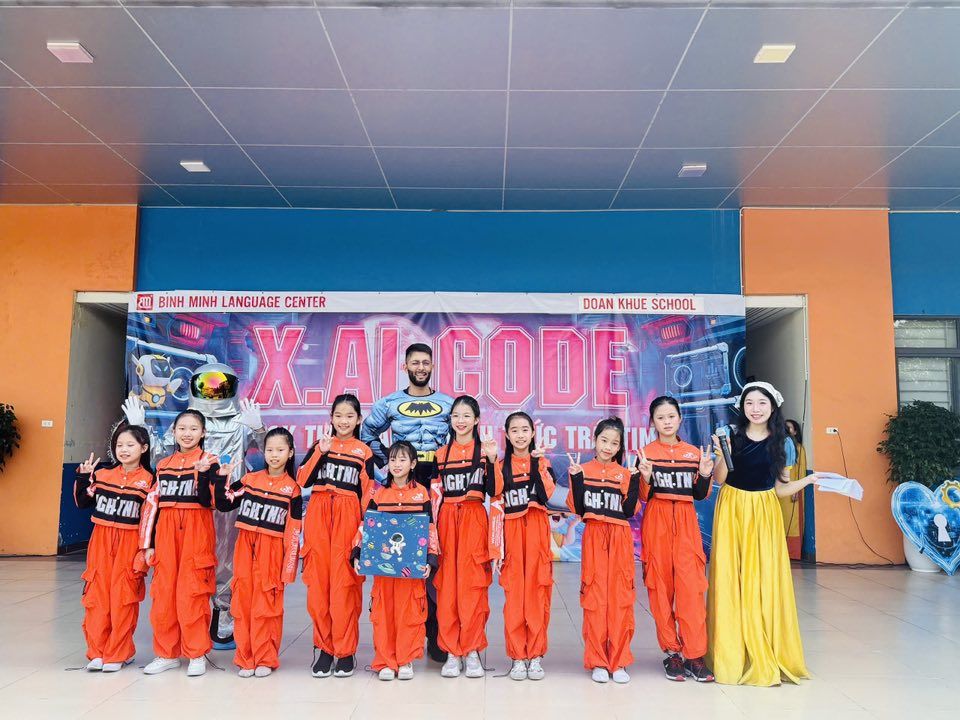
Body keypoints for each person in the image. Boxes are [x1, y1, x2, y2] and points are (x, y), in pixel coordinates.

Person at [123, 361, 266, 650]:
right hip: (187, 506)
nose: (213, 392)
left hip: (228, 504)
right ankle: (188, 618)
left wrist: (259, 429)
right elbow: (160, 455)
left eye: (219, 386)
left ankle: (223, 613)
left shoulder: (241, 422)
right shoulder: (186, 423)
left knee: (226, 560)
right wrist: (140, 429)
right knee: (190, 563)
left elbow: (273, 453)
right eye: (206, 386)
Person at [707, 381, 816, 686]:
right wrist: (723, 454)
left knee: (764, 579)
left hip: (765, 512)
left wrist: (809, 481)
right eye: (749, 403)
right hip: (732, 509)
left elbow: (781, 488)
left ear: (773, 407)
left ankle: (764, 646)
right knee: (732, 577)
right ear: (742, 407)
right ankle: (732, 652)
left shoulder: (783, 444)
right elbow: (719, 479)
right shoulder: (730, 435)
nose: (755, 409)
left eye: (761, 403)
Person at [361, 343, 454, 662]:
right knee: (401, 552)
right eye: (415, 362)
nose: (420, 367)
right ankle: (400, 631)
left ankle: (435, 631)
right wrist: (389, 463)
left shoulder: (448, 404)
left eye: (426, 362)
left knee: (435, 553)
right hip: (402, 484)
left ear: (432, 366)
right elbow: (367, 433)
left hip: (438, 482)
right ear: (405, 366)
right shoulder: (389, 403)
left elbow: (462, 438)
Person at [138, 409, 226, 677]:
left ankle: (196, 653)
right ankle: (166, 653)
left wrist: (205, 474)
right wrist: (149, 543)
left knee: (193, 594)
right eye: (182, 428)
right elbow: (152, 506)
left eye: (193, 429)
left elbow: (213, 502)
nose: (187, 434)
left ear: (203, 433)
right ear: (174, 432)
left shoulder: (210, 461)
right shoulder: (163, 465)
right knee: (163, 594)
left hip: (196, 535)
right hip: (166, 536)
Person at [636, 396, 715, 683]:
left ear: (680, 419)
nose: (667, 422)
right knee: (660, 590)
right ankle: (672, 653)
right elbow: (643, 497)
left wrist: (704, 474)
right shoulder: (646, 453)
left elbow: (700, 494)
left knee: (691, 590)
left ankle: (695, 655)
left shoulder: (693, 453)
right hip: (656, 523)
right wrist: (645, 478)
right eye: (660, 417)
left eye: (671, 416)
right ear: (652, 422)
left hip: (685, 523)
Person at [297, 394, 375, 678]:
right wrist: (321, 452)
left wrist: (362, 533)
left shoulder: (363, 452)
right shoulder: (320, 445)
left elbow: (367, 494)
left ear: (358, 419)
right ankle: (324, 649)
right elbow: (302, 480)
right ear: (331, 417)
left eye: (349, 416)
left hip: (348, 517)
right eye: (338, 415)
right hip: (318, 515)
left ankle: (345, 650)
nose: (343, 421)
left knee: (345, 588)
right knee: (319, 588)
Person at [215, 427, 301, 678]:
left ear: (290, 452)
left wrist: (288, 568)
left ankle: (265, 658)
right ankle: (245, 658)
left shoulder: (292, 489)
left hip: (272, 553)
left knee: (267, 607)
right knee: (242, 604)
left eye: (280, 450)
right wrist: (222, 479)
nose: (274, 455)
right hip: (245, 548)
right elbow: (224, 502)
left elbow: (294, 531)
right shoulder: (250, 480)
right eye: (269, 449)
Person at [351, 441, 439, 681]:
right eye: (392, 459)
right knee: (383, 613)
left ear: (413, 464)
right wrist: (357, 552)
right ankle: (385, 661)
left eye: (402, 459)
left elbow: (430, 527)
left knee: (409, 612)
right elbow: (366, 525)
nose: (396, 464)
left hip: (411, 569)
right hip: (384, 568)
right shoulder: (379, 494)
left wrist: (430, 558)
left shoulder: (421, 494)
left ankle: (406, 659)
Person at [566, 417, 641, 684]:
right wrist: (576, 479)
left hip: (619, 537)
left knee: (621, 598)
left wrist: (635, 480)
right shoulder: (582, 469)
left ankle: (619, 661)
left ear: (620, 447)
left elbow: (629, 510)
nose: (608, 447)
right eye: (604, 440)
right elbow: (578, 508)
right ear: (594, 440)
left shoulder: (625, 473)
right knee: (595, 598)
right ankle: (598, 659)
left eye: (614, 443)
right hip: (594, 535)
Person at [74, 423, 154, 673]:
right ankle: (97, 652)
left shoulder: (150, 481)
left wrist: (146, 549)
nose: (124, 450)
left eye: (130, 445)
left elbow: (153, 519)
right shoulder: (102, 475)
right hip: (101, 542)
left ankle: (119, 653)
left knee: (124, 600)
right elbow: (82, 502)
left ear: (144, 448)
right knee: (96, 599)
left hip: (130, 544)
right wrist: (83, 476)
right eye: (119, 445)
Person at [432, 395, 501, 679]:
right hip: (447, 520)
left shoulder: (485, 452)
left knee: (473, 588)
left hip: (474, 519)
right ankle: (451, 651)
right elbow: (435, 498)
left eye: (466, 416)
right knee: (447, 588)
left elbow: (495, 491)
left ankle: (472, 650)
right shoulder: (440, 454)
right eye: (456, 416)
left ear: (476, 420)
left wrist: (493, 460)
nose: (460, 421)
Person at [491, 411, 556, 681]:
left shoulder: (542, 462)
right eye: (514, 430)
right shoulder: (501, 466)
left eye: (524, 430)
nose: (520, 435)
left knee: (538, 596)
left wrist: (537, 464)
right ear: (507, 435)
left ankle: (536, 655)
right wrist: (497, 548)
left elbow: (546, 494)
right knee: (515, 599)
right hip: (512, 533)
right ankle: (518, 656)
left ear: (533, 433)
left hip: (537, 532)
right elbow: (495, 499)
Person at [780, 419, 808, 560]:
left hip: (792, 491)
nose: (786, 430)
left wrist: (796, 490)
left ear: (795, 432)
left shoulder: (798, 449)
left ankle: (792, 553)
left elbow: (800, 472)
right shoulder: (779, 446)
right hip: (779, 491)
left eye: (789, 428)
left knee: (792, 523)